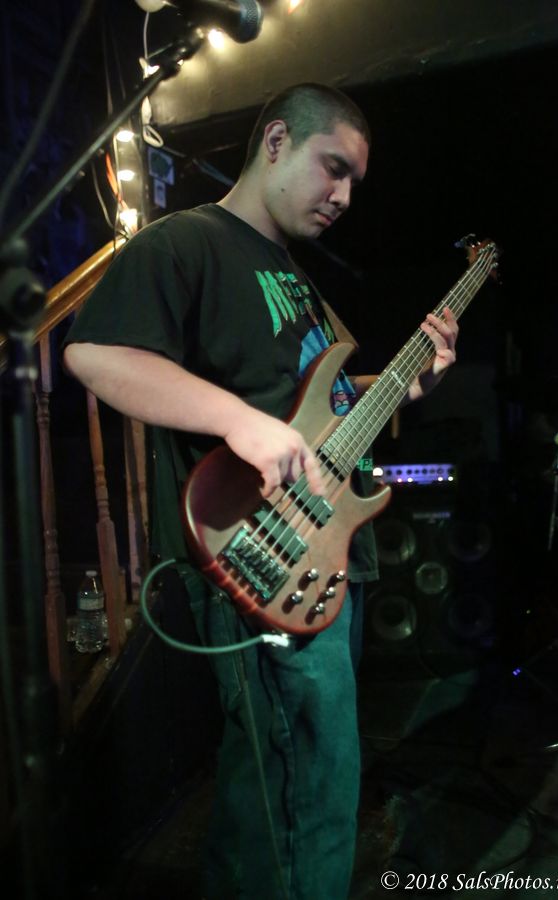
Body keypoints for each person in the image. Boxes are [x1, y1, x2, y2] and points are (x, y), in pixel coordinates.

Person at [63, 83, 458, 900]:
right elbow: (95, 353)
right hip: (263, 551)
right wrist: (239, 422)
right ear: (276, 141)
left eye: (355, 182)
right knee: (305, 783)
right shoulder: (189, 241)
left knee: (279, 784)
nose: (344, 196)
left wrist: (407, 385)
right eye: (333, 167)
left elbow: (325, 410)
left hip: (329, 548)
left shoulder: (300, 281)